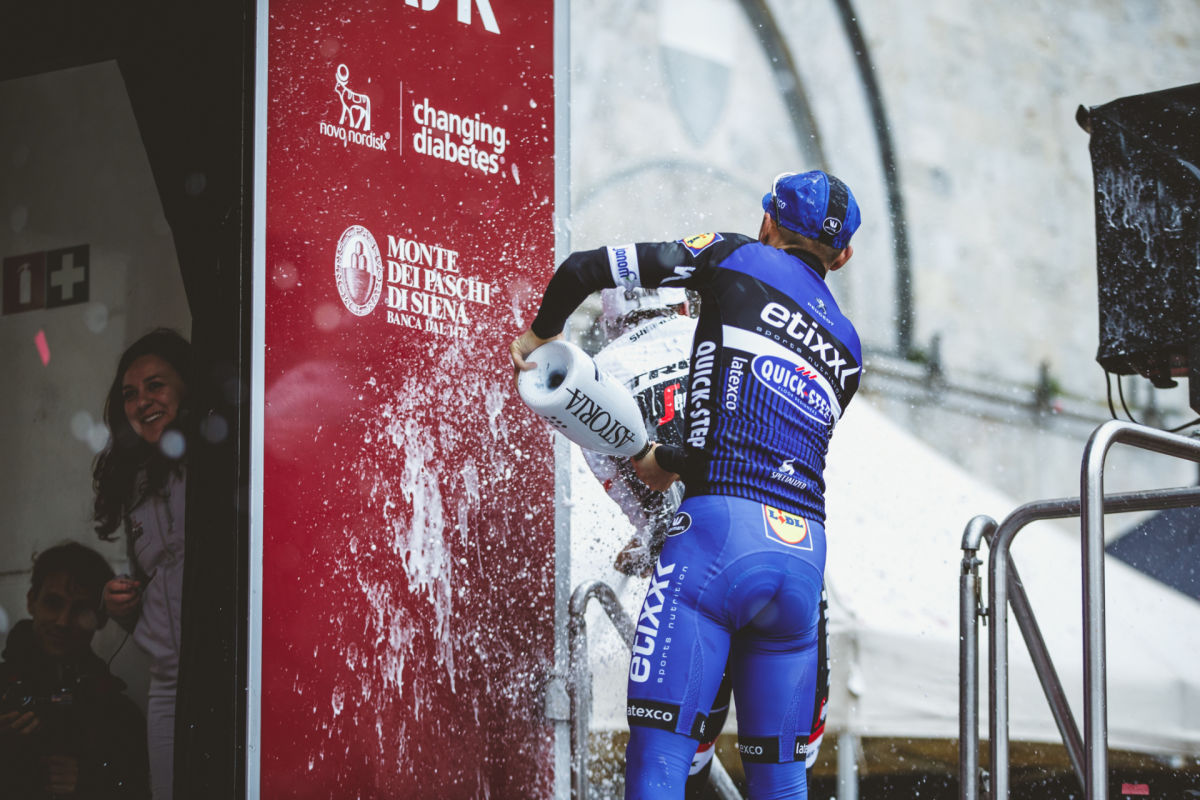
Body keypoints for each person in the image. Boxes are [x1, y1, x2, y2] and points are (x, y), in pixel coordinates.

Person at [511, 170, 862, 798]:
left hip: (714, 545)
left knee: (662, 760)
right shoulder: (850, 346)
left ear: (768, 222)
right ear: (844, 256)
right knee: (783, 779)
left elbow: (585, 268)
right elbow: (762, 438)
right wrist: (671, 459)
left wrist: (541, 334)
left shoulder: (734, 257)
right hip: (803, 561)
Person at [584, 287, 831, 794]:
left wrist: (649, 543)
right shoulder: (741, 336)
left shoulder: (597, 376)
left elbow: (650, 509)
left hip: (699, 570)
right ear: (685, 304)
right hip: (790, 552)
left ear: (611, 321)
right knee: (787, 768)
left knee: (670, 759)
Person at [92, 329, 196, 800]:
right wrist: (118, 604)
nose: (142, 403)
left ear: (187, 386)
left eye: (156, 385)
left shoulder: (223, 459)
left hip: (231, 673)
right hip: (167, 685)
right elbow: (150, 586)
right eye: (130, 394)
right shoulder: (131, 483)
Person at [0, 541, 150, 798]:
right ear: (31, 601)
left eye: (80, 608)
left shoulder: (119, 714)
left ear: (101, 618)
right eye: (53, 602)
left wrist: (92, 780)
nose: (63, 621)